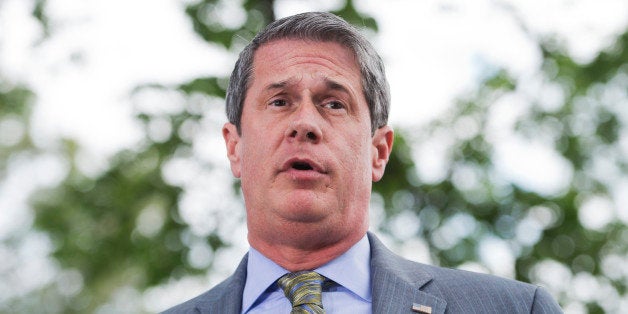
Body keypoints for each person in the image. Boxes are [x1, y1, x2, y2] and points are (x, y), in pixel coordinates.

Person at [163, 12, 562, 314]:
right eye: (279, 101)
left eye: (334, 103)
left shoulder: (516, 308)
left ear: (379, 152)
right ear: (235, 147)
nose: (304, 124)